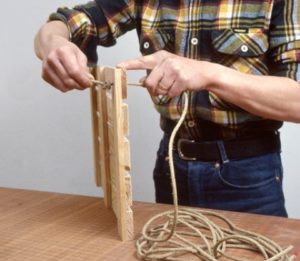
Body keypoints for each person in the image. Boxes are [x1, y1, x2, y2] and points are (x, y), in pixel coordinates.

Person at [34, 0, 300, 217]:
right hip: (171, 168)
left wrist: (210, 75)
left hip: (247, 175)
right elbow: (65, 24)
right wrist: (54, 45)